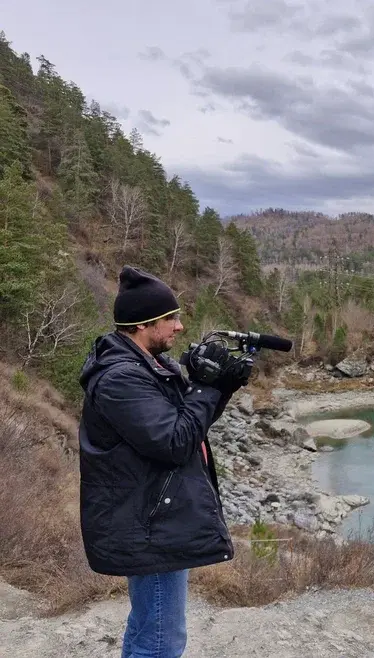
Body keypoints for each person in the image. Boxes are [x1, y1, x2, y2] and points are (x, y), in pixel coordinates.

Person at [78, 265, 251, 658]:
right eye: (169, 318)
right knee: (161, 640)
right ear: (142, 325)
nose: (179, 326)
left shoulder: (149, 367)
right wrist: (208, 386)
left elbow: (188, 427)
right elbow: (174, 442)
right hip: (150, 523)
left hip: (154, 514)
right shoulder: (121, 378)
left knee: (149, 628)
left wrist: (221, 388)